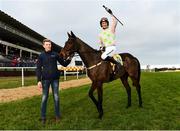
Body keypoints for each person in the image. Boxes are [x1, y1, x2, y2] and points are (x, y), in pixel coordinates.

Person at [36, 39, 71, 125]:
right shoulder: (41, 56)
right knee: (44, 98)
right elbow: (38, 68)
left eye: (50, 44)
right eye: (47, 44)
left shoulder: (55, 54)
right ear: (43, 45)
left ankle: (57, 116)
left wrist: (69, 59)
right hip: (45, 80)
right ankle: (43, 117)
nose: (49, 46)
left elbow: (64, 64)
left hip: (55, 79)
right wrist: (38, 80)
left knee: (56, 97)